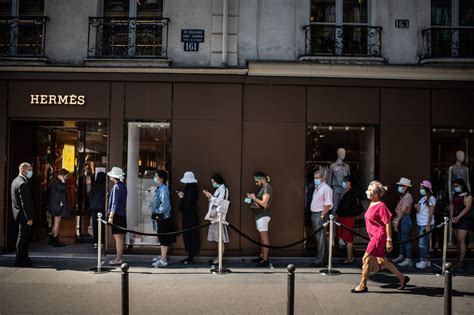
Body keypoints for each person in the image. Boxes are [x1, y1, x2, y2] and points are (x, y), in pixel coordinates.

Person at [352, 181, 410, 293]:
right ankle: (402, 277)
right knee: (383, 261)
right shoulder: (371, 203)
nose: (368, 193)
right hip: (374, 236)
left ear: (376, 194)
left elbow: (387, 222)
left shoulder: (381, 205)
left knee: (365, 259)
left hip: (378, 237)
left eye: (370, 191)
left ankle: (362, 285)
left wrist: (389, 240)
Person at [306, 170, 333, 267]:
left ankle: (319, 261)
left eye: (317, 178)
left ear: (323, 178)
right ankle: (324, 259)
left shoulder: (326, 188)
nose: (315, 180)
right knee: (321, 239)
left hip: (320, 215)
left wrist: (322, 215)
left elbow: (328, 204)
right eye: (315, 178)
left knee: (320, 239)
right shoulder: (317, 188)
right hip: (315, 214)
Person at [247, 171, 273, 267]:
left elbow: (264, 204)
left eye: (257, 181)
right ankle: (262, 256)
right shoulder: (264, 188)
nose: (256, 183)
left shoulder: (267, 188)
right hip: (260, 216)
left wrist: (254, 198)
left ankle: (265, 259)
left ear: (262, 179)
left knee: (264, 238)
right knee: (261, 238)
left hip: (263, 216)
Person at [11, 162, 35, 267]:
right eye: (29, 170)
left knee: (23, 237)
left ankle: (24, 258)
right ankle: (20, 260)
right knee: (23, 238)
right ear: (23, 170)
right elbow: (25, 202)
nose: (30, 172)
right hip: (23, 215)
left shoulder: (15, 181)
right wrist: (29, 217)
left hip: (18, 213)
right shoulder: (22, 183)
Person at [203, 173, 229, 265]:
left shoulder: (223, 189)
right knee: (218, 239)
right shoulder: (220, 189)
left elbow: (219, 202)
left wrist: (210, 196)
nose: (213, 183)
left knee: (220, 239)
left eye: (213, 182)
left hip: (219, 216)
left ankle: (219, 259)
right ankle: (218, 257)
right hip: (215, 216)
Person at [151, 170, 176, 268]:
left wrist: (157, 211)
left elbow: (165, 205)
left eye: (156, 176)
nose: (155, 178)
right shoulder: (161, 188)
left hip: (164, 218)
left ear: (161, 178)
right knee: (162, 238)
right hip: (162, 218)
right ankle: (162, 256)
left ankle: (163, 259)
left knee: (163, 239)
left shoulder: (163, 189)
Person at [335, 175, 361, 264]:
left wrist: (337, 214)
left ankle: (350, 257)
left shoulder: (350, 192)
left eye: (344, 181)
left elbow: (345, 207)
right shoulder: (347, 191)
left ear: (349, 182)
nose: (343, 183)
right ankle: (349, 256)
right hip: (344, 217)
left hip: (347, 218)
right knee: (346, 237)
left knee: (348, 237)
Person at [177, 171, 200, 265]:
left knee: (189, 235)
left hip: (189, 215)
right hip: (191, 214)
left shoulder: (190, 189)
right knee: (191, 235)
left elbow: (187, 203)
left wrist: (182, 197)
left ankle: (190, 257)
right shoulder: (193, 188)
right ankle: (190, 256)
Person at [107, 167, 127, 265]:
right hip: (122, 214)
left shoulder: (116, 187)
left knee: (117, 238)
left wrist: (111, 216)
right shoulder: (123, 186)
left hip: (117, 215)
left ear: (114, 177)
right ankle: (119, 257)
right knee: (121, 238)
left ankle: (118, 258)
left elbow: (114, 204)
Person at [450, 178, 472, 270]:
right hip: (455, 219)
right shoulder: (456, 194)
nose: (455, 188)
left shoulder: (468, 194)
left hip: (464, 219)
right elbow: (452, 206)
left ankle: (461, 261)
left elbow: (467, 207)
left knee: (461, 240)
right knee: (458, 241)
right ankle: (458, 258)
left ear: (462, 185)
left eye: (457, 186)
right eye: (454, 186)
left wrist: (458, 217)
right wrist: (452, 217)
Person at [391, 177, 413, 267]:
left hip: (404, 219)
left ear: (405, 186)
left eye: (401, 185)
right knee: (401, 239)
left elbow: (403, 210)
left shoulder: (408, 196)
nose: (399, 187)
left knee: (405, 239)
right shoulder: (403, 196)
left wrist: (397, 220)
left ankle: (409, 259)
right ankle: (401, 255)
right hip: (401, 218)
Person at [414, 180, 436, 269]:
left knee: (422, 243)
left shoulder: (431, 198)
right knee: (423, 243)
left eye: (422, 188)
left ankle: (423, 261)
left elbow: (431, 213)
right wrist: (416, 207)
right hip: (420, 222)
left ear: (426, 188)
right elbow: (419, 209)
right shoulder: (423, 198)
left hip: (425, 224)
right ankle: (426, 261)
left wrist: (428, 225)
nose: (420, 189)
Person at [49, 169, 70, 247]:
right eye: (66, 176)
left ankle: (51, 238)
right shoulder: (57, 182)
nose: (66, 178)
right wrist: (63, 181)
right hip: (57, 205)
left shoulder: (55, 181)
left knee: (55, 222)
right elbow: (63, 188)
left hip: (56, 204)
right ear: (62, 175)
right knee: (57, 222)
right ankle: (55, 240)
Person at [89, 171, 106, 249]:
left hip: (93, 207)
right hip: (102, 207)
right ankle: (102, 242)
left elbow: (90, 196)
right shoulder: (105, 186)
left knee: (95, 225)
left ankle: (95, 242)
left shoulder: (94, 185)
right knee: (102, 225)